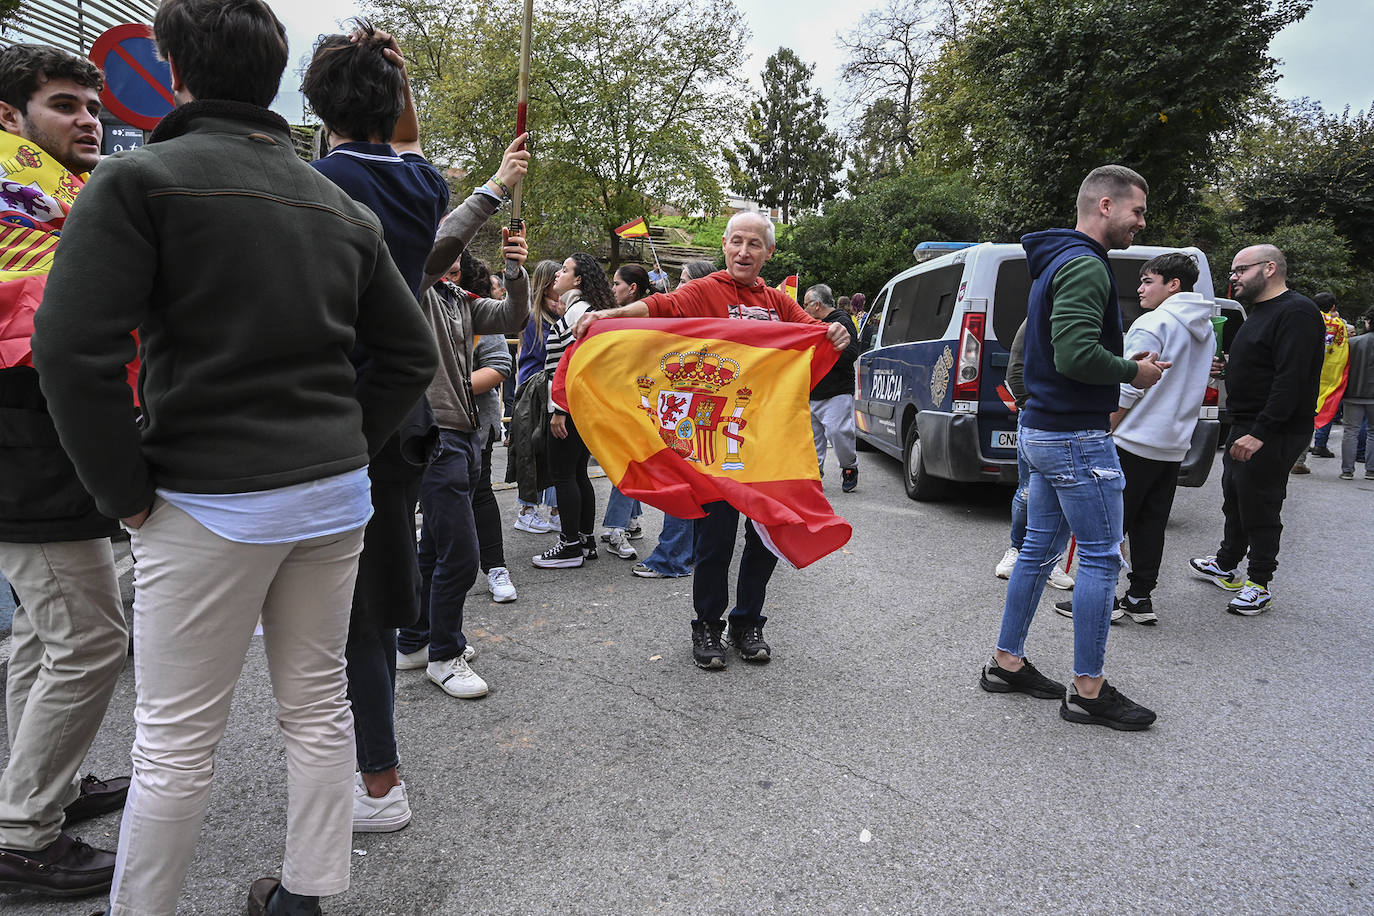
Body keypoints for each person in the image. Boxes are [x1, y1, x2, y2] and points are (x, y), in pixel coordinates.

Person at [31, 2, 440, 913]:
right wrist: (345, 443)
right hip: (332, 498)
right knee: (318, 705)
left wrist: (124, 492)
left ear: (172, 69)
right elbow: (408, 357)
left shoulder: (139, 184)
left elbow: (69, 348)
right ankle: (306, 895)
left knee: (174, 740)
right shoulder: (334, 199)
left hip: (206, 497)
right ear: (274, 78)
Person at [572, 212, 849, 669]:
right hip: (714, 443)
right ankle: (707, 627)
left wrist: (837, 330)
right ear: (724, 245)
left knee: (766, 535)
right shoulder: (705, 289)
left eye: (754, 244)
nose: (744, 251)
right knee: (714, 541)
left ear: (769, 253)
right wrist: (612, 314)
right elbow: (658, 308)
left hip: (767, 445)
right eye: (737, 241)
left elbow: (814, 334)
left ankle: (748, 622)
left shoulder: (779, 303)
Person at [302, 18, 450, 836]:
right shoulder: (422, 189)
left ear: (317, 105)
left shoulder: (315, 185)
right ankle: (379, 776)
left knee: (324, 616)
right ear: (394, 106)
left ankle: (363, 780)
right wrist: (396, 76)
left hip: (320, 414)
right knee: (372, 609)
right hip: (396, 419)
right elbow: (408, 139)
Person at [0, 42, 130, 899]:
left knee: (42, 639)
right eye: (63, 104)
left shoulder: (55, 197)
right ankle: (21, 834)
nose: (87, 119)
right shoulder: (16, 207)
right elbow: (60, 323)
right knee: (90, 640)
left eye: (92, 105)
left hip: (46, 454)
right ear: (11, 120)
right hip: (27, 457)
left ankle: (38, 785)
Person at [979, 165, 1168, 732]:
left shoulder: (1055, 261)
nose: (1141, 221)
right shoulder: (1085, 265)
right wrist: (1134, 371)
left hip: (1043, 432)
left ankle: (1005, 663)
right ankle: (1087, 690)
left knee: (1036, 552)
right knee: (1102, 560)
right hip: (1075, 438)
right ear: (1105, 206)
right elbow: (1076, 355)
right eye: (1137, 210)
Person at [396, 200, 531, 700]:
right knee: (460, 551)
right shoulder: (414, 286)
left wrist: (516, 273)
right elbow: (434, 254)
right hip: (435, 438)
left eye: (460, 255)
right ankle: (445, 654)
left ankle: (414, 640)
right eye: (446, 248)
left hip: (464, 437)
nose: (455, 259)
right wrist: (497, 187)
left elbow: (513, 317)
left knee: (432, 547)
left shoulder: (458, 298)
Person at [1069, 252, 1214, 627]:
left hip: (1133, 441)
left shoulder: (1155, 323)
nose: (1140, 288)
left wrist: (1105, 428)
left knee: (1107, 526)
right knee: (1150, 524)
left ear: (1173, 285)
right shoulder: (1205, 328)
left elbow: (1129, 386)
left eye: (1148, 281)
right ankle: (1139, 598)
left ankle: (1098, 600)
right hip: (1173, 444)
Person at [1189, 245, 1323, 615]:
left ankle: (1259, 582)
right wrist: (1228, 368)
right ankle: (1227, 564)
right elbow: (1263, 365)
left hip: (1273, 429)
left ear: (1269, 268)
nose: (1233, 277)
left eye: (1240, 269)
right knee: (1236, 495)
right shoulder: (1261, 311)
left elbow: (1291, 379)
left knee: (1261, 502)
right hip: (1247, 421)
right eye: (1232, 270)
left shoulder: (1296, 311)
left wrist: (1261, 432)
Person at [630, 260, 716, 580]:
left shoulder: (695, 325)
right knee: (694, 481)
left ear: (700, 288)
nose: (676, 288)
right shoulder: (702, 322)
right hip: (687, 410)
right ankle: (687, 551)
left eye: (683, 282)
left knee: (680, 481)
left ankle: (671, 557)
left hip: (688, 411)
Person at [532, 253, 618, 569]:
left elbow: (570, 367)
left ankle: (569, 546)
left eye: (565, 270)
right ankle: (585, 541)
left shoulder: (578, 313)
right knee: (578, 473)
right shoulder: (584, 310)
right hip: (581, 408)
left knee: (564, 474)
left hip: (567, 407)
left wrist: (559, 411)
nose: (558, 274)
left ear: (578, 280)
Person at [994, 319, 1076, 591]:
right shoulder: (1036, 319)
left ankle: (1051, 560)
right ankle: (1016, 549)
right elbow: (1016, 368)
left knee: (1065, 493)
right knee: (1028, 490)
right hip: (1037, 417)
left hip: (1074, 420)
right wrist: (1029, 407)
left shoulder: (1087, 316)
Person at [457, 256, 518, 603]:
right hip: (427, 427)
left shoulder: (479, 312)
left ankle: (495, 567)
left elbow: (499, 366)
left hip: (474, 425)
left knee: (479, 494)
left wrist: (449, 387)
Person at [598, 263, 657, 560]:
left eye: (617, 284)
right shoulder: (617, 317)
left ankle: (617, 527)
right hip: (624, 402)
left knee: (630, 465)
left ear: (632, 288)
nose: (612, 289)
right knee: (629, 463)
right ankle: (628, 521)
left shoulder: (647, 318)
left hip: (638, 403)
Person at [510, 258, 560, 533]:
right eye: (557, 278)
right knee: (530, 450)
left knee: (552, 452)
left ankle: (554, 509)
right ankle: (527, 508)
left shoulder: (555, 313)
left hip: (549, 389)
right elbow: (544, 355)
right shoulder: (534, 317)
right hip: (533, 389)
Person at [801, 283, 861, 491]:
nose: (804, 308)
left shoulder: (842, 322)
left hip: (836, 391)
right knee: (812, 439)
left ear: (817, 305)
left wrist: (825, 352)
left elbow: (851, 353)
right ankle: (814, 475)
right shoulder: (809, 324)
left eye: (806, 304)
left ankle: (849, 466)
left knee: (838, 433)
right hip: (812, 392)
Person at [1291, 292, 1346, 472]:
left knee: (1290, 414)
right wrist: (1335, 379)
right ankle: (1299, 460)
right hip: (1323, 379)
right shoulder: (1338, 325)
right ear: (1332, 308)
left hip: (1298, 373)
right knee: (1312, 416)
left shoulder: (1303, 317)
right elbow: (1341, 354)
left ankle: (1287, 457)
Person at [1340, 318, 1374, 480]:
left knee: (1350, 432)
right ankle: (1371, 470)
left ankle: (1347, 470)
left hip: (1352, 392)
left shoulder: (1352, 343)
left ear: (1368, 323)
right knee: (1373, 432)